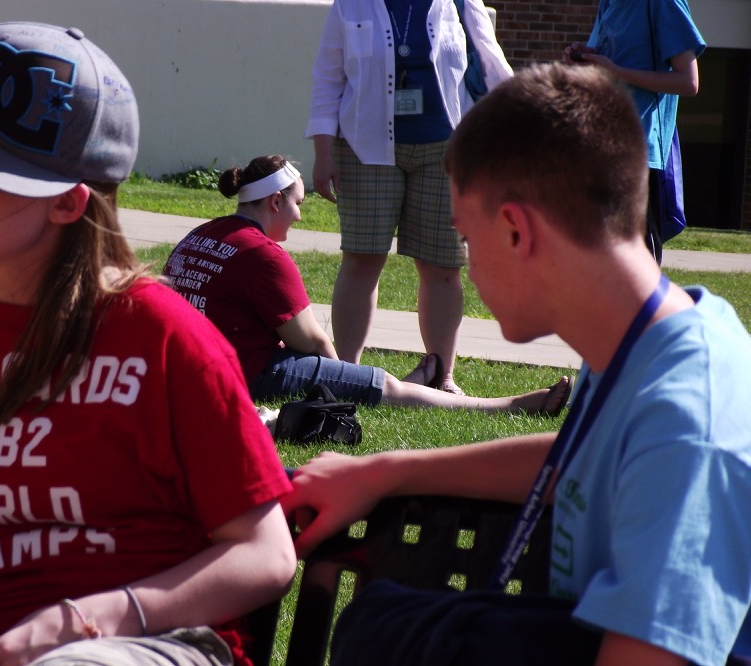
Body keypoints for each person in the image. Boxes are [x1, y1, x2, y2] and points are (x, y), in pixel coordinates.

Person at [0, 22, 296, 666]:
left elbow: (266, 555)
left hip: (154, 644)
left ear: (66, 204)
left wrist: (88, 622)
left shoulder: (165, 339)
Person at [283, 63, 751, 665]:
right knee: (384, 622)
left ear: (514, 231)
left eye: (466, 238)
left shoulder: (690, 423)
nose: (468, 266)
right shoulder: (649, 341)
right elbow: (583, 462)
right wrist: (383, 472)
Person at [163, 154, 571, 416]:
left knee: (371, 382)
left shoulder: (201, 234)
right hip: (248, 374)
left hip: (192, 372)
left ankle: (412, 384)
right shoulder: (263, 255)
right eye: (298, 204)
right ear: (275, 202)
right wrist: (350, 379)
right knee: (382, 386)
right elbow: (313, 343)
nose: (300, 216)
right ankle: (511, 405)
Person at [305, 0, 513, 395]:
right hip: (364, 147)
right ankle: (346, 374)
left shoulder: (460, 3)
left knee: (442, 265)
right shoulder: (350, 5)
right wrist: (323, 152)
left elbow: (492, 65)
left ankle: (442, 376)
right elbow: (327, 79)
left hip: (448, 149)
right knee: (362, 258)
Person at [565, 0, 705, 264]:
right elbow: (609, 65)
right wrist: (586, 57)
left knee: (637, 265)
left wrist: (616, 72)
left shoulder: (663, 3)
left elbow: (689, 81)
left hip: (638, 153)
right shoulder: (608, 2)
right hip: (600, 146)